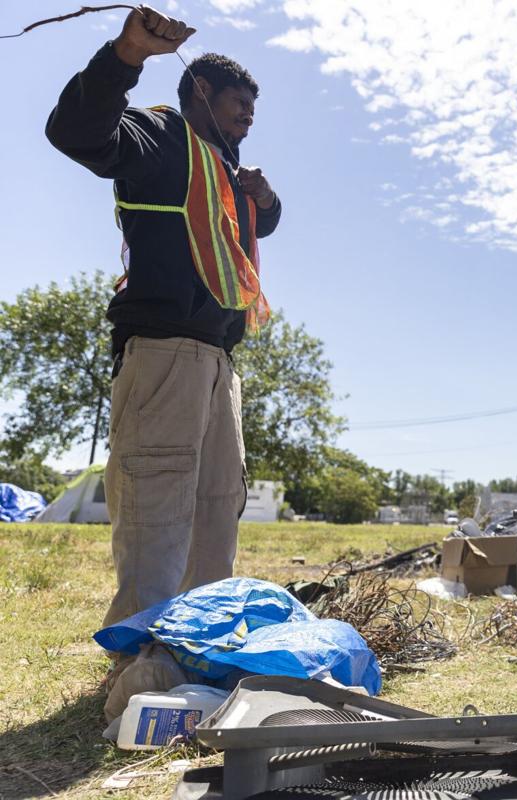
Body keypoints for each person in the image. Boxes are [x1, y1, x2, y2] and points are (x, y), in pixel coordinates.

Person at [45, 5, 282, 718]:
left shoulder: (227, 172)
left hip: (217, 364)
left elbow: (251, 231)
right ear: (202, 93)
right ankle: (139, 674)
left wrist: (267, 205)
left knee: (215, 513)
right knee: (157, 510)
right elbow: (76, 133)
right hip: (163, 356)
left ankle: (199, 655)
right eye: (240, 109)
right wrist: (126, 55)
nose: (247, 124)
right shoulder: (160, 136)